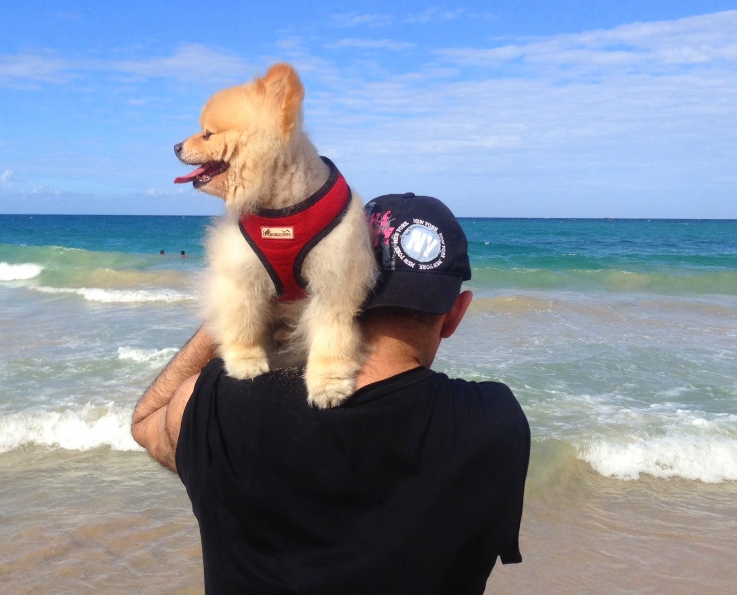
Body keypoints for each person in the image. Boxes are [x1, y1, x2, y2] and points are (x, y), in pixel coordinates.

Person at [132, 193, 530, 595]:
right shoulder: (494, 426)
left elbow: (146, 421)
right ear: (456, 315)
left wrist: (245, 308)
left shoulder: (221, 404)